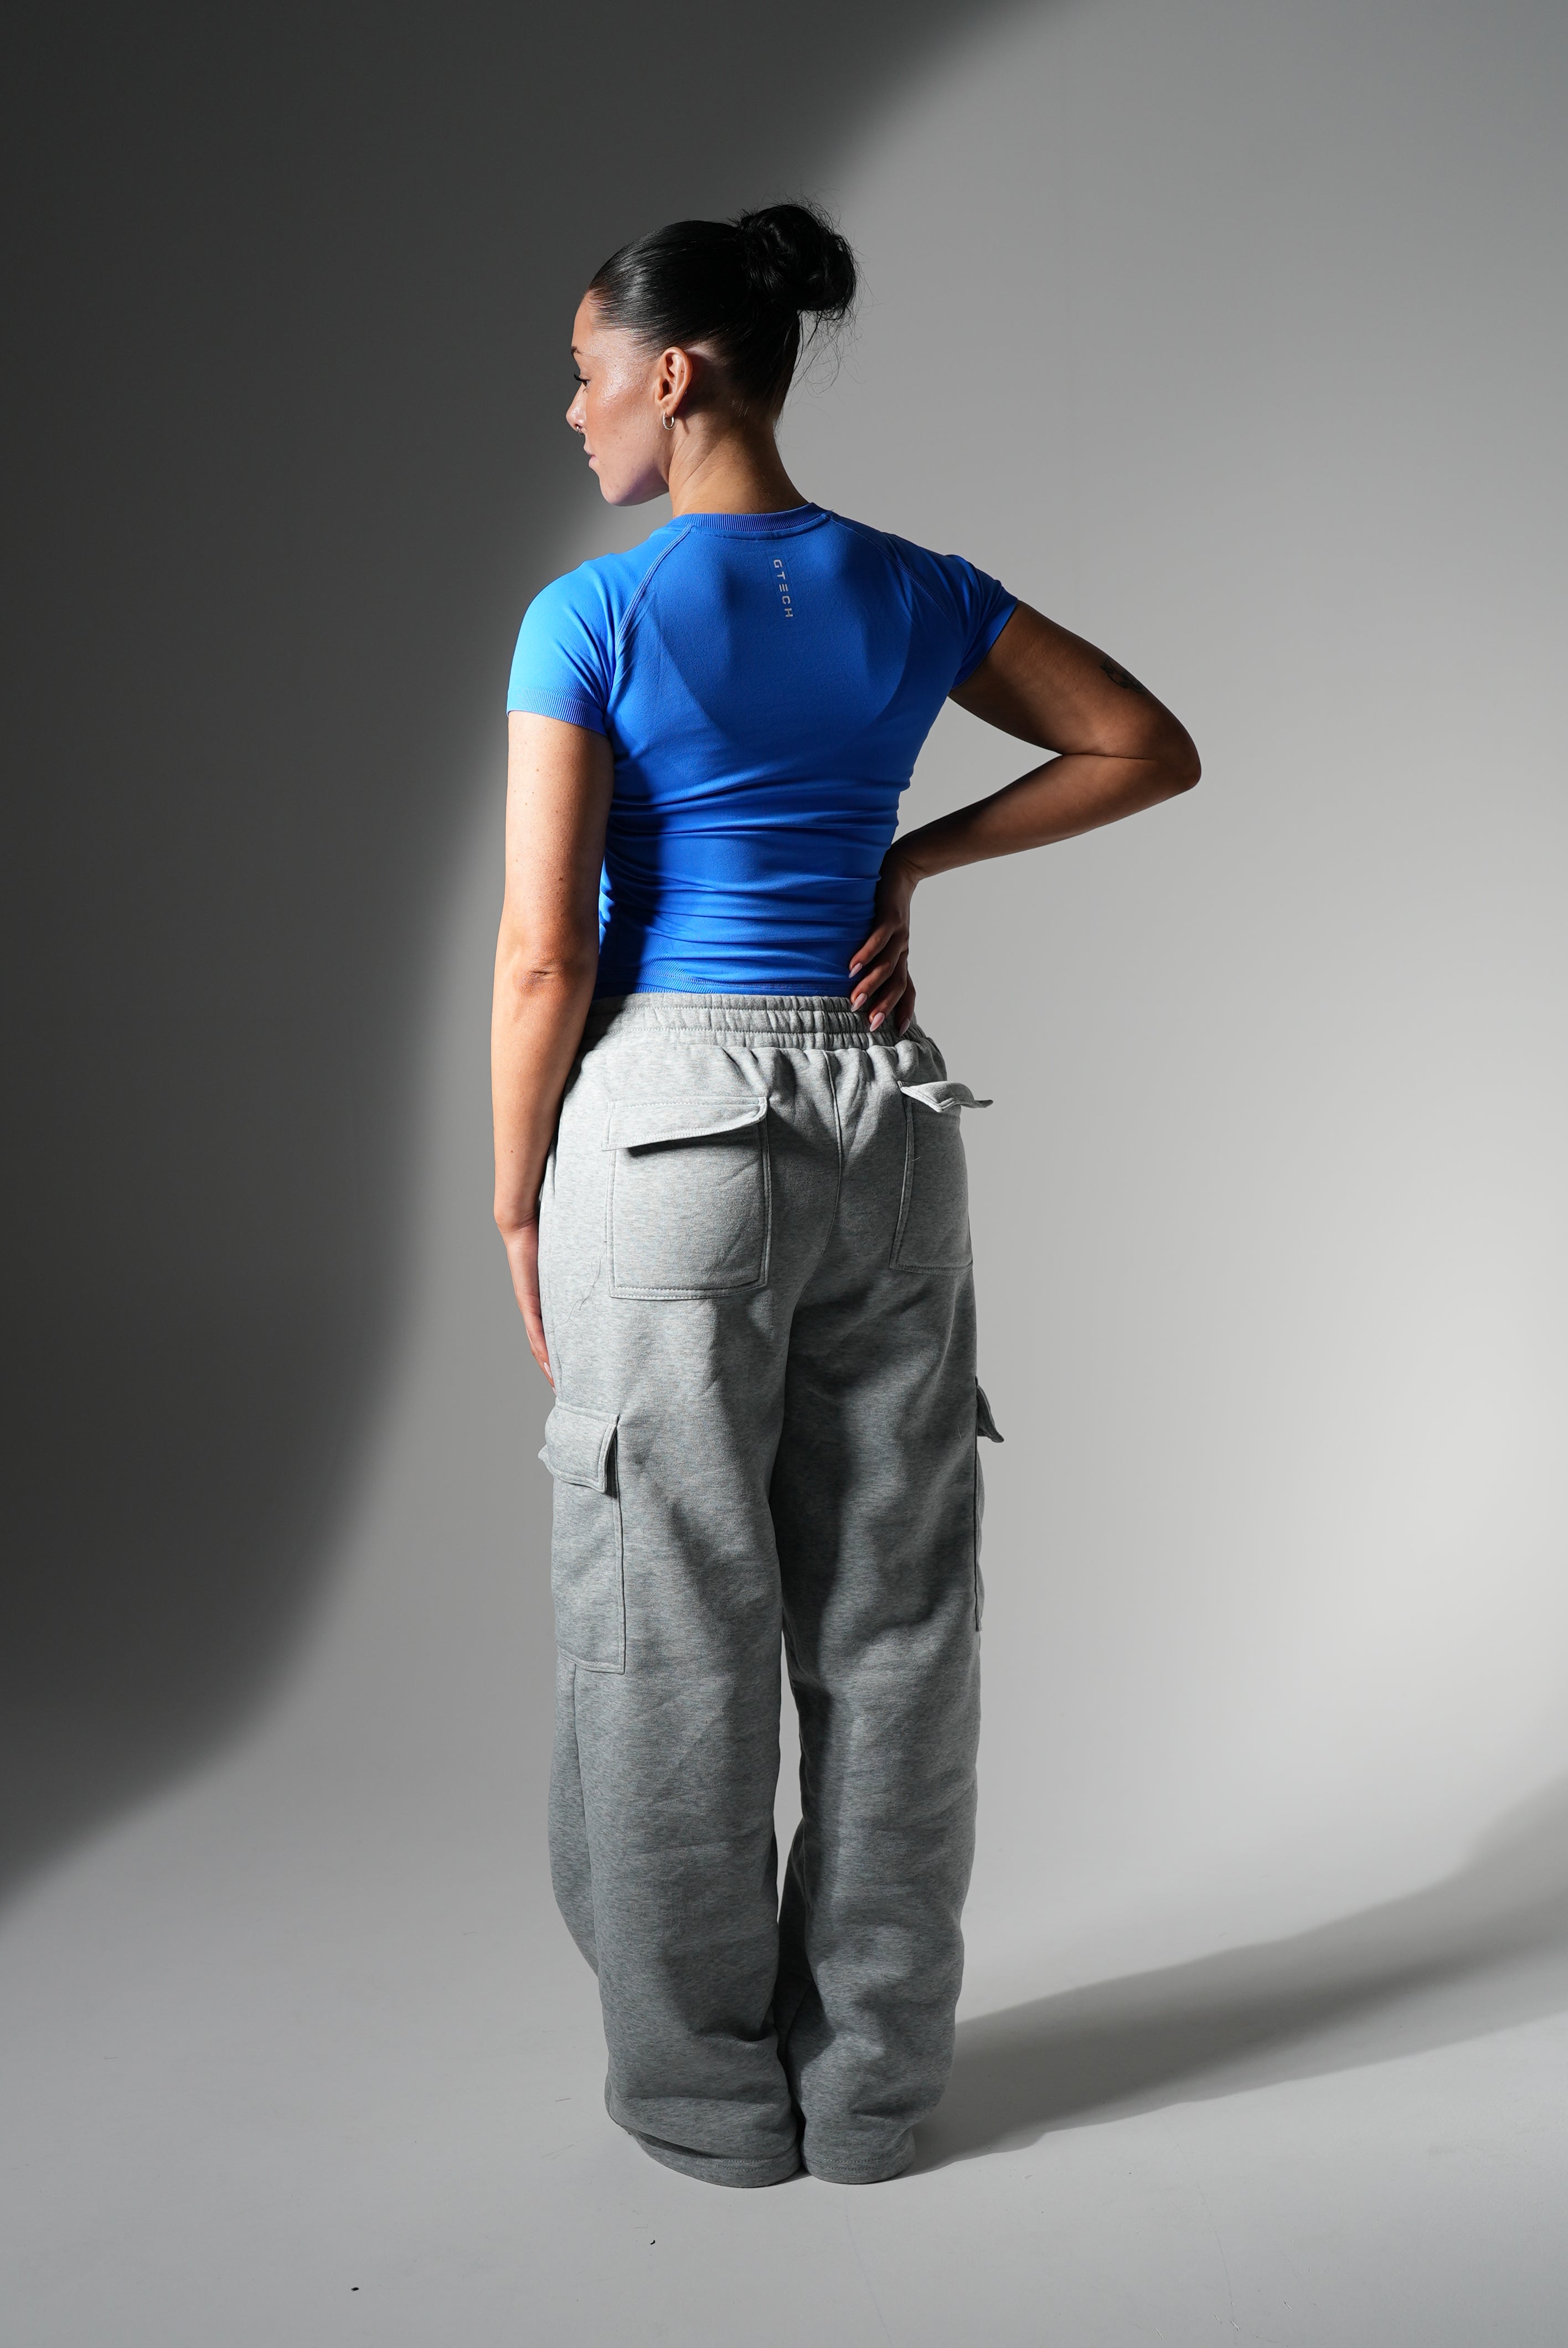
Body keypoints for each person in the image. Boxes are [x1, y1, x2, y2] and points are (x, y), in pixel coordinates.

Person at [491, 202, 1199, 2188]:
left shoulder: (590, 613)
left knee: (670, 1616)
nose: (572, 412)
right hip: (889, 1112)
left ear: (671, 373)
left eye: (583, 373)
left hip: (669, 1121)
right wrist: (911, 861)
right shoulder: (916, 588)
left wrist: (516, 1199)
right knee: (898, 1615)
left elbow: (545, 954)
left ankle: (708, 2100)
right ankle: (877, 2092)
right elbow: (1145, 746)